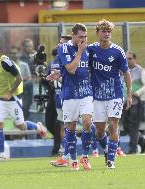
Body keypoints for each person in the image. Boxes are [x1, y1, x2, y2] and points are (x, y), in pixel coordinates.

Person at [0, 42, 47, 161]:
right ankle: (2, 154)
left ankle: (37, 126)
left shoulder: (6, 62)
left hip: (13, 98)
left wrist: (9, 93)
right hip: (0, 100)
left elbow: (19, 78)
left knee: (21, 126)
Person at [48, 24, 94, 171]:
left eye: (85, 37)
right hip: (69, 94)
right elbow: (72, 69)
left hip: (85, 92)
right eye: (81, 37)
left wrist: (60, 73)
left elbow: (88, 68)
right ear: (73, 35)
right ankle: (73, 160)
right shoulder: (64, 49)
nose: (83, 40)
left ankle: (85, 158)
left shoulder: (89, 49)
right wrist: (79, 53)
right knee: (71, 128)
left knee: (87, 122)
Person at [88, 19, 132, 169]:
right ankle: (107, 149)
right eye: (104, 31)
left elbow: (126, 73)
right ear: (97, 33)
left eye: (109, 31)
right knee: (99, 131)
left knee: (113, 125)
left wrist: (130, 94)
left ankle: (111, 160)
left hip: (115, 94)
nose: (107, 34)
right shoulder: (91, 50)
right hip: (97, 96)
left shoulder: (118, 51)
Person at [46, 35, 72, 156]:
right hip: (58, 96)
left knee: (87, 123)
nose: (59, 45)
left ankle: (98, 144)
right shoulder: (55, 60)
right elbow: (48, 77)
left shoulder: (73, 58)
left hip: (73, 96)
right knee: (61, 122)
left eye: (63, 43)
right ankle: (63, 147)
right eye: (59, 43)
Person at [122, 51, 145, 154]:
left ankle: (133, 149)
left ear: (135, 59)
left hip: (138, 101)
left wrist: (139, 92)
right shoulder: (123, 71)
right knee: (126, 126)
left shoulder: (141, 71)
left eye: (130, 58)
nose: (127, 60)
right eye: (126, 58)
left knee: (133, 126)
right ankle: (142, 141)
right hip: (126, 102)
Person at [9, 46, 33, 120]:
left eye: (15, 53)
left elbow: (29, 79)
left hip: (24, 93)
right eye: (11, 53)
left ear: (19, 54)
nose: (13, 55)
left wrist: (20, 83)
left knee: (24, 111)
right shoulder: (8, 66)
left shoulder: (24, 65)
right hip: (12, 93)